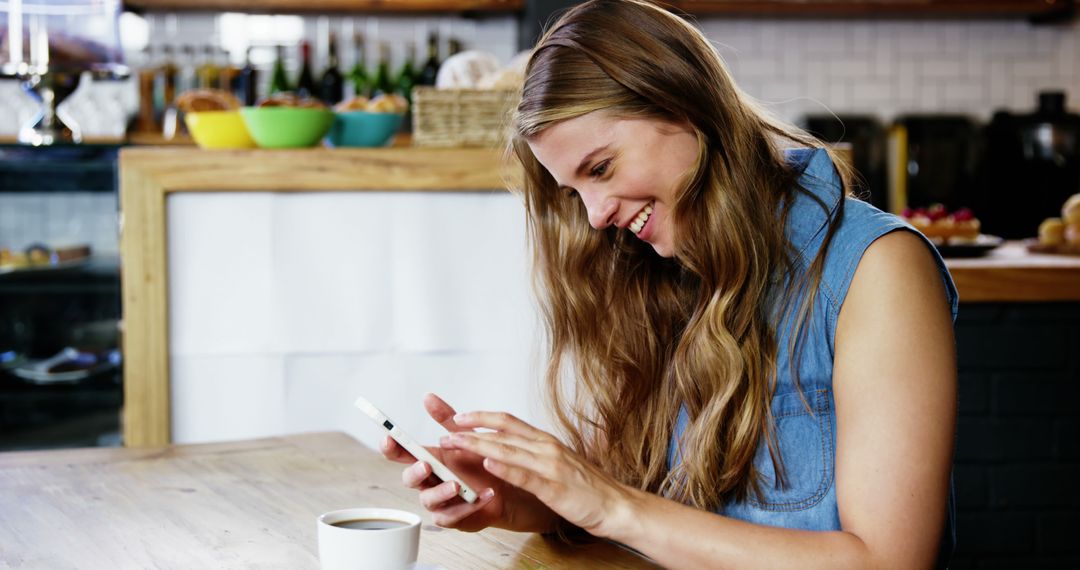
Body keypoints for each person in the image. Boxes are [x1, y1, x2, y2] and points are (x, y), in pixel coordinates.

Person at [380, 0, 958, 567]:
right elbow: (629, 491)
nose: (595, 216)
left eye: (601, 168)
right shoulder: (660, 271)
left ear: (682, 105)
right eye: (574, 192)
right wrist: (518, 496)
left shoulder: (879, 270)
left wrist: (609, 505)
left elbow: (890, 559)